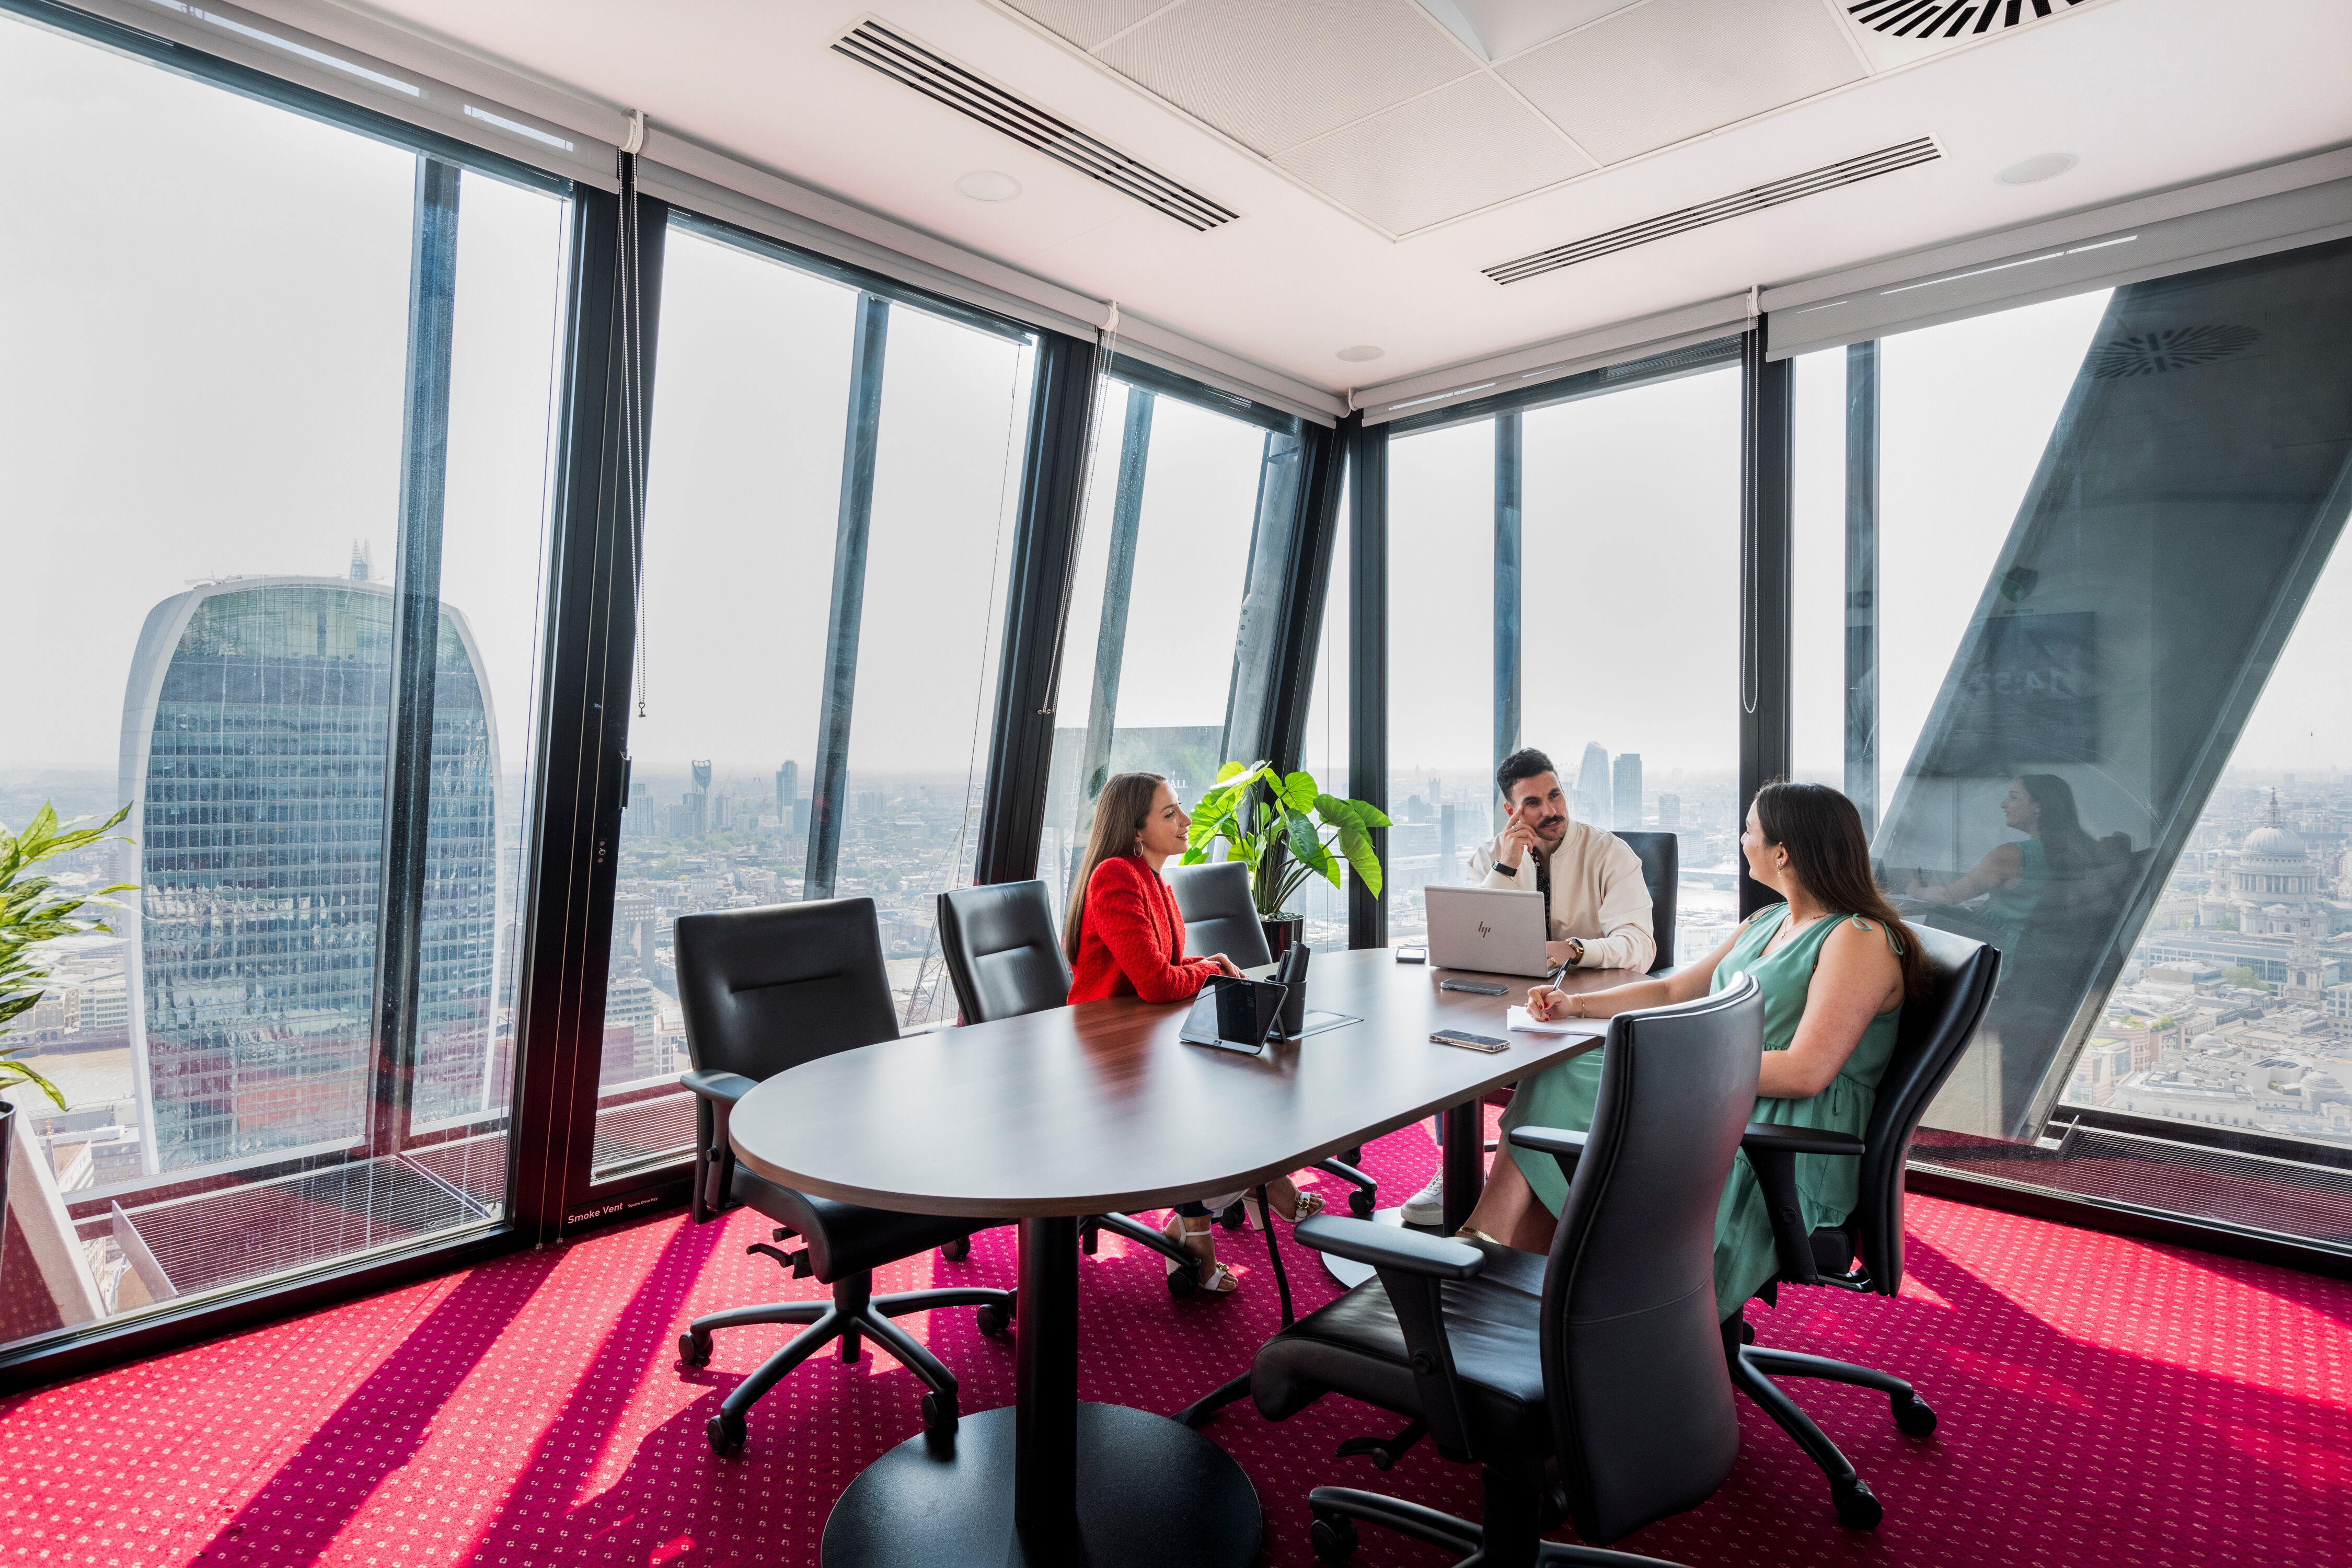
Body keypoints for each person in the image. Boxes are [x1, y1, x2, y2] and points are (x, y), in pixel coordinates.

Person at [1456, 781, 1929, 1326]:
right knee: (1564, 1069)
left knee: (1586, 1111)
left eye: (1749, 829)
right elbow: (1672, 992)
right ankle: (1516, 1288)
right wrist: (1576, 1006)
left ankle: (1487, 1267)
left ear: (1783, 852)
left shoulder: (1856, 938)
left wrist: (1667, 1068)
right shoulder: (1767, 922)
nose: (1740, 839)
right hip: (1727, 1103)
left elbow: (1806, 1071)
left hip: (1781, 1139)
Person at [1064, 771, 1325, 1295]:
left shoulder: (1154, 878)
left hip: (1144, 1033)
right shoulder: (1115, 875)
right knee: (1207, 1091)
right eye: (1170, 814)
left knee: (1248, 1065)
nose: (1186, 822)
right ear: (1136, 830)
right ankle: (1196, 1226)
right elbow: (1158, 984)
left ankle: (1256, 1184)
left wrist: (1205, 962)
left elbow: (1161, 963)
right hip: (1106, 1052)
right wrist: (1205, 972)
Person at [1399, 747, 1655, 1225]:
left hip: (1584, 1001)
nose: (1550, 811)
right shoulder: (1491, 858)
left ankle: (1533, 1180)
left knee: (1541, 1064)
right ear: (1510, 811)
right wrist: (1507, 866)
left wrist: (1574, 949)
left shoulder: (1610, 854)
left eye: (1555, 795)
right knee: (1452, 1037)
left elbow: (1639, 946)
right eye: (1533, 802)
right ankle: (1454, 1167)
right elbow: (1473, 939)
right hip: (1508, 996)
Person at [1906, 774, 2107, 947]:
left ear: (2038, 807)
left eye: (2013, 797)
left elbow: (1951, 896)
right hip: (2036, 951)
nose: (2004, 804)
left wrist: (1917, 891)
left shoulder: (2012, 854)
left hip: (2001, 953)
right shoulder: (2081, 849)